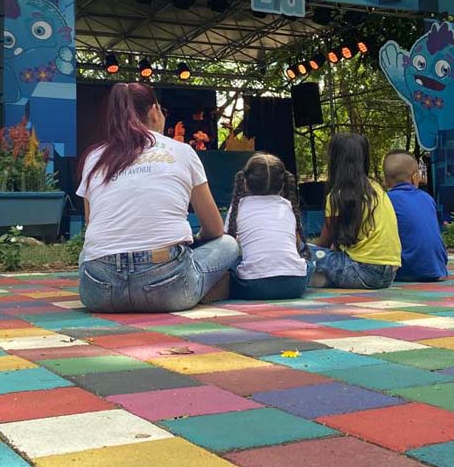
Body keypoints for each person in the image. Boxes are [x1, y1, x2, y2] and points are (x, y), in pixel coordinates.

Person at [76, 83, 239, 312]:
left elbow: (91, 223)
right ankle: (202, 286)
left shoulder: (95, 158)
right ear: (154, 111)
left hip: (100, 292)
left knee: (88, 252)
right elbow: (214, 229)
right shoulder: (182, 152)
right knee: (228, 244)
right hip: (167, 288)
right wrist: (195, 240)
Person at [308, 133, 401, 290]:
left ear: (334, 161)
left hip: (361, 272)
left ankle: (317, 279)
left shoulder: (337, 195)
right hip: (388, 276)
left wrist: (307, 248)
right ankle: (322, 280)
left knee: (304, 251)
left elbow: (324, 243)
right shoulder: (377, 189)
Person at [224, 152, 313, 300]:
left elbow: (227, 246)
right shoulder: (287, 206)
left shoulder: (238, 207)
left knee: (231, 265)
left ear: (245, 182)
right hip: (295, 285)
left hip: (254, 287)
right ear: (283, 183)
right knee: (310, 261)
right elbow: (297, 246)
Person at [384, 150, 448, 282]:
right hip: (437, 269)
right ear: (415, 177)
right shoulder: (427, 198)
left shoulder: (386, 200)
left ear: (386, 181)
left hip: (405, 270)